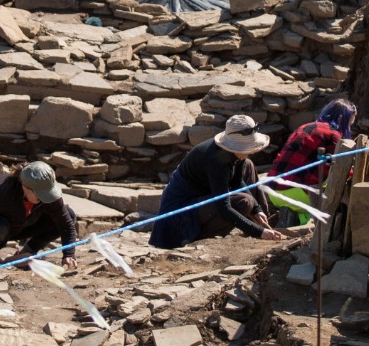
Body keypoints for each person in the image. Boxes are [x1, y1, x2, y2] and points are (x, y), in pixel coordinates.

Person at [149, 115, 285, 248]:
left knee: (248, 166)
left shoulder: (233, 154)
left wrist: (257, 210)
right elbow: (223, 207)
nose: (251, 152)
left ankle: (264, 222)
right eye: (247, 148)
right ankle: (198, 238)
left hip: (203, 198)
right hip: (180, 214)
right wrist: (259, 232)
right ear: (234, 146)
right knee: (244, 201)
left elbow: (237, 182)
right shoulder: (216, 161)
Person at [0, 161, 78, 270]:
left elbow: (66, 224)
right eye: (40, 195)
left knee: (69, 215)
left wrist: (69, 254)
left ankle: (27, 252)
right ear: (25, 187)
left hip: (22, 223)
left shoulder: (47, 190)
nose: (45, 198)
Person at [268, 97, 357, 223]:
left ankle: (289, 214)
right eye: (349, 123)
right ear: (341, 119)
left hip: (273, 192)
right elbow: (342, 170)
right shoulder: (333, 136)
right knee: (332, 207)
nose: (348, 127)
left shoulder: (306, 126)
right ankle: (298, 219)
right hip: (292, 192)